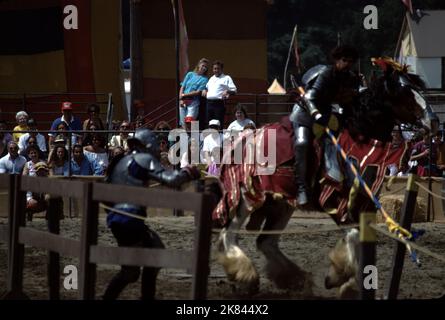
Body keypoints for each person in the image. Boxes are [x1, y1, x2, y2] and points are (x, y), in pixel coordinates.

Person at [102, 128, 200, 300]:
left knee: (136, 267)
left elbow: (105, 196)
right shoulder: (144, 158)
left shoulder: (120, 162)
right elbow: (171, 180)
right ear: (147, 144)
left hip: (116, 220)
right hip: (131, 219)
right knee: (148, 259)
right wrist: (188, 172)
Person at [290, 44, 360, 205]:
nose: (347, 64)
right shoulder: (326, 74)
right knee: (302, 143)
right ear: (337, 60)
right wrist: (317, 115)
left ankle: (338, 180)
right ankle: (301, 187)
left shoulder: (350, 78)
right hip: (305, 114)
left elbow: (347, 101)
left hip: (327, 114)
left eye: (351, 61)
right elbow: (309, 98)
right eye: (344, 60)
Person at [203, 60, 237, 127]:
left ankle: (219, 137)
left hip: (219, 104)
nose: (216, 70)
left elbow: (234, 91)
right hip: (209, 103)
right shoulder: (211, 78)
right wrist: (204, 90)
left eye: (218, 68)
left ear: (221, 69)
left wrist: (227, 91)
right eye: (214, 69)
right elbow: (207, 88)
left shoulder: (227, 78)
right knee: (208, 123)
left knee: (218, 124)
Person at [179, 58, 209, 126]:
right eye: (203, 65)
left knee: (189, 120)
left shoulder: (205, 79)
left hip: (193, 102)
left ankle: (191, 136)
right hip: (183, 101)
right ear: (199, 65)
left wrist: (184, 95)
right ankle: (185, 136)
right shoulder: (190, 74)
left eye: (206, 67)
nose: (204, 68)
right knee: (182, 122)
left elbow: (198, 92)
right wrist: (181, 98)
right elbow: (182, 86)